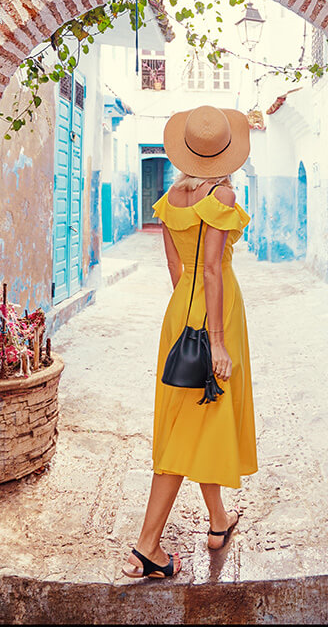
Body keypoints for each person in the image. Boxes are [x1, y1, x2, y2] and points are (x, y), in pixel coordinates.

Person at [122, 105, 257, 580]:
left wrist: (188, 314)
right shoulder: (221, 194)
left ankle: (219, 521)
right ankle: (147, 547)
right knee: (189, 425)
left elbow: (177, 270)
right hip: (214, 318)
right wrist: (216, 342)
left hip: (180, 312)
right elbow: (215, 270)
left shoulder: (170, 196)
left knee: (201, 418)